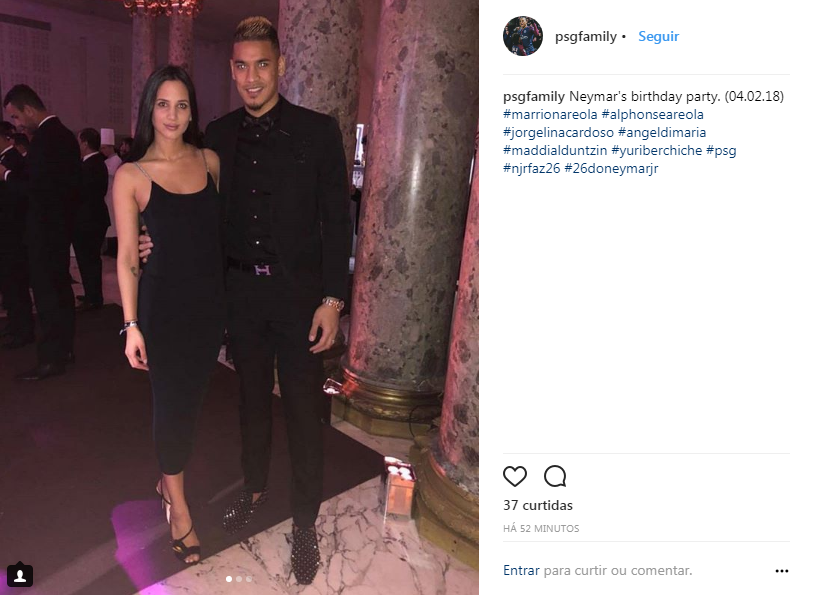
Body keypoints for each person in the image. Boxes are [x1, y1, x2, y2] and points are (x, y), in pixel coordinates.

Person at [139, 16, 351, 584]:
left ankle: (304, 522)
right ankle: (254, 489)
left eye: (261, 65)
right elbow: (187, 202)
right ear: (231, 70)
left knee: (303, 410)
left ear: (281, 65)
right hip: (239, 296)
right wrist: (149, 236)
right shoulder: (218, 136)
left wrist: (333, 299)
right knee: (251, 402)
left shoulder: (318, 131)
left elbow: (338, 221)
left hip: (300, 300)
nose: (251, 77)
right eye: (240, 66)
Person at [114, 65, 224, 565]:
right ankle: (178, 507)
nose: (173, 115)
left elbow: (212, 233)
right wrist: (131, 325)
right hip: (162, 310)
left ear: (192, 111)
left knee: (191, 401)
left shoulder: (210, 162)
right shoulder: (131, 175)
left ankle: (167, 478)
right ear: (149, 109)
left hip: (208, 307)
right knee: (171, 405)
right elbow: (126, 258)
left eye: (182, 105)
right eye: (163, 104)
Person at [1, 85, 80, 380]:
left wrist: (7, 176)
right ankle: (64, 349)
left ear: (29, 109)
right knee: (60, 290)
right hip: (57, 227)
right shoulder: (63, 135)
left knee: (48, 295)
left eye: (16, 116)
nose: (17, 124)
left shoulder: (47, 139)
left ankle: (51, 358)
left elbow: (37, 189)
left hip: (45, 229)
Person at [0, 120, 34, 348]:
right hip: (7, 232)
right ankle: (14, 324)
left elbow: (22, 195)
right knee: (8, 283)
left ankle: (23, 330)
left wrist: (6, 175)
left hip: (13, 233)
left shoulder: (14, 161)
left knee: (16, 283)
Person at [74, 128, 111, 311]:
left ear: (85, 144)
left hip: (89, 220)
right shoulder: (94, 162)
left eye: (79, 141)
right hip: (91, 218)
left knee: (89, 259)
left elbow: (84, 192)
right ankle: (91, 294)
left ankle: (94, 298)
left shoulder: (92, 164)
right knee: (88, 259)